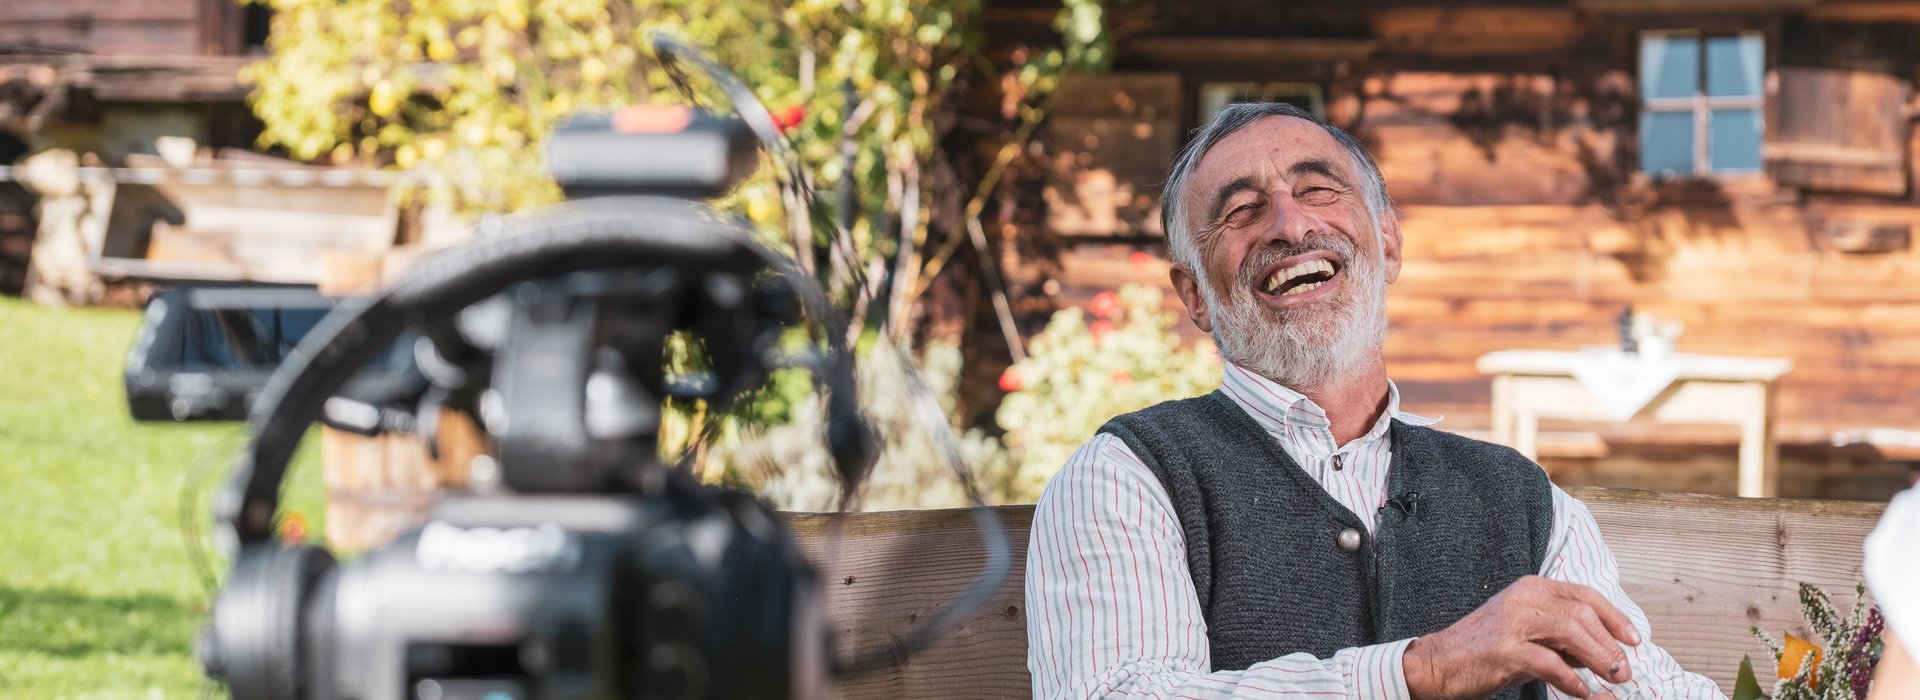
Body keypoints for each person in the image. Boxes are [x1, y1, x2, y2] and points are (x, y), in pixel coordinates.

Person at [1024, 102, 1726, 700]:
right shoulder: (1128, 477)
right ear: (1193, 296)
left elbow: (1639, 682)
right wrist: (1418, 671)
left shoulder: (1523, 502)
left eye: (1319, 190)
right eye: (1241, 209)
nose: (1290, 227)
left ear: (1388, 242)